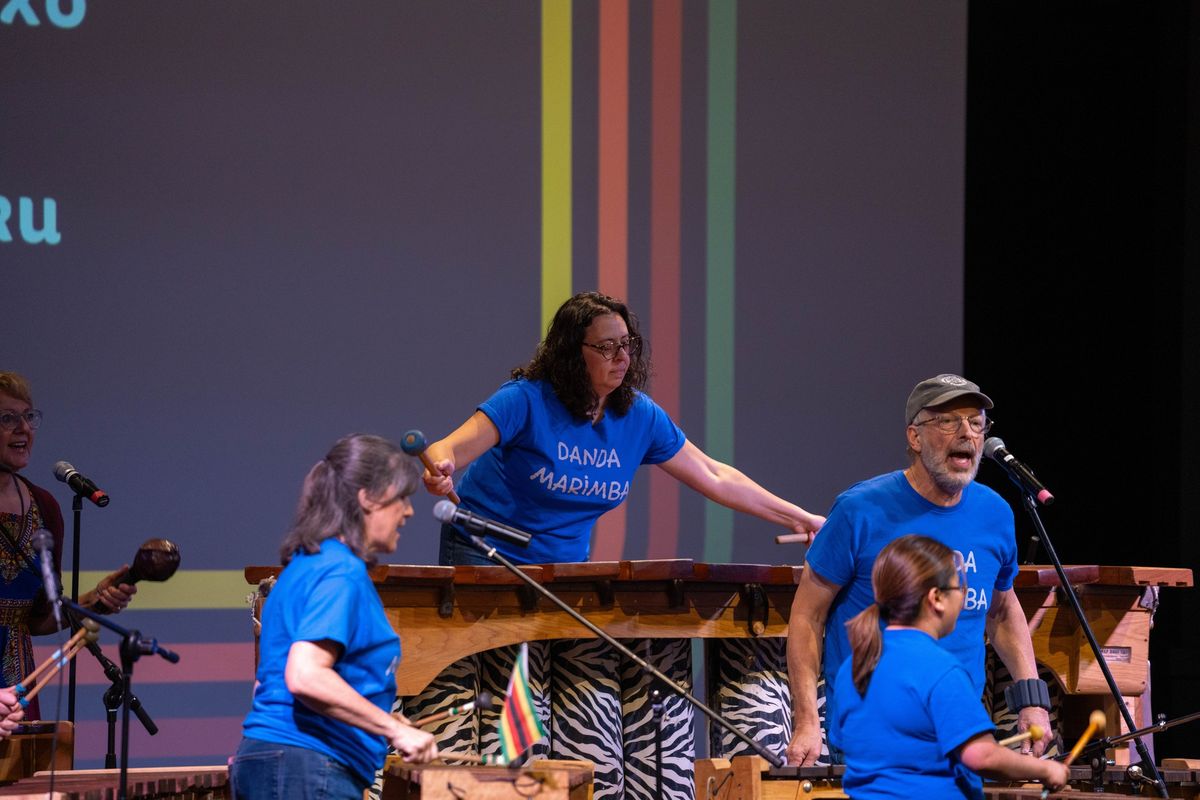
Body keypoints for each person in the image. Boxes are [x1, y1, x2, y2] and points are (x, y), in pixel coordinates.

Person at [418, 291, 824, 800]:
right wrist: (439, 467)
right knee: (504, 703)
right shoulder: (525, 398)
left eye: (627, 346)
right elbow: (452, 446)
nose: (621, 358)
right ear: (572, 352)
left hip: (563, 571)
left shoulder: (638, 416)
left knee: (563, 706)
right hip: (487, 557)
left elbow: (716, 476)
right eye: (606, 347)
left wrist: (802, 518)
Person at [787, 374, 1054, 767]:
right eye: (948, 421)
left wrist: (1031, 699)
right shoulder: (860, 510)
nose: (967, 433)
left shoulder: (995, 513)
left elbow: (1001, 609)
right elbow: (807, 615)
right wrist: (807, 721)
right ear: (914, 437)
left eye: (976, 422)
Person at [232, 434, 437, 800]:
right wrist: (392, 728)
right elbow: (305, 676)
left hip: (281, 761)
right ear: (368, 498)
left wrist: (378, 720)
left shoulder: (303, 566)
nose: (409, 511)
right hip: (308, 763)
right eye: (401, 498)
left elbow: (269, 683)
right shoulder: (340, 571)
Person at [833, 534, 1070, 799]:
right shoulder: (940, 670)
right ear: (936, 598)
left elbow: (850, 743)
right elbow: (981, 755)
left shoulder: (853, 666)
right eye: (960, 588)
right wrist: (1044, 769)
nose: (964, 597)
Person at [0, 371, 136, 718]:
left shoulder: (44, 506)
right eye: (7, 419)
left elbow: (40, 619)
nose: (23, 429)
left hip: (16, 700)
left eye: (28, 417)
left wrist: (96, 601)